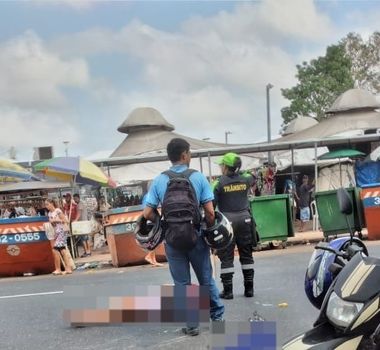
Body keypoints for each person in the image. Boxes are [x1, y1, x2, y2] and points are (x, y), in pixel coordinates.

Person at [143, 138, 224, 336]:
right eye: (190, 153)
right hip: (196, 236)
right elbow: (210, 213)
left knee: (182, 284)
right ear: (185, 155)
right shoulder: (198, 177)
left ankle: (192, 324)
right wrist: (210, 234)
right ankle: (218, 319)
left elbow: (147, 213)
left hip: (172, 240)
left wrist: (163, 223)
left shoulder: (159, 180)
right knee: (206, 279)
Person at [212, 152, 256, 299]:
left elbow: (211, 205)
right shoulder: (246, 179)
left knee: (226, 257)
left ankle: (228, 291)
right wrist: (240, 172)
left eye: (221, 165)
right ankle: (249, 290)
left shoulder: (218, 183)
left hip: (227, 223)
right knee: (247, 255)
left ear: (225, 166)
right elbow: (252, 176)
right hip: (245, 220)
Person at [45, 198, 72, 275]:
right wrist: (52, 222)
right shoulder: (49, 213)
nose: (46, 206)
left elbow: (66, 221)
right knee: (62, 250)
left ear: (52, 203)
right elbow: (53, 224)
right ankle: (68, 268)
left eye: (47, 204)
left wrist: (57, 220)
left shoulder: (58, 211)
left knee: (56, 249)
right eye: (46, 205)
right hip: (57, 232)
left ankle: (58, 269)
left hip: (62, 231)